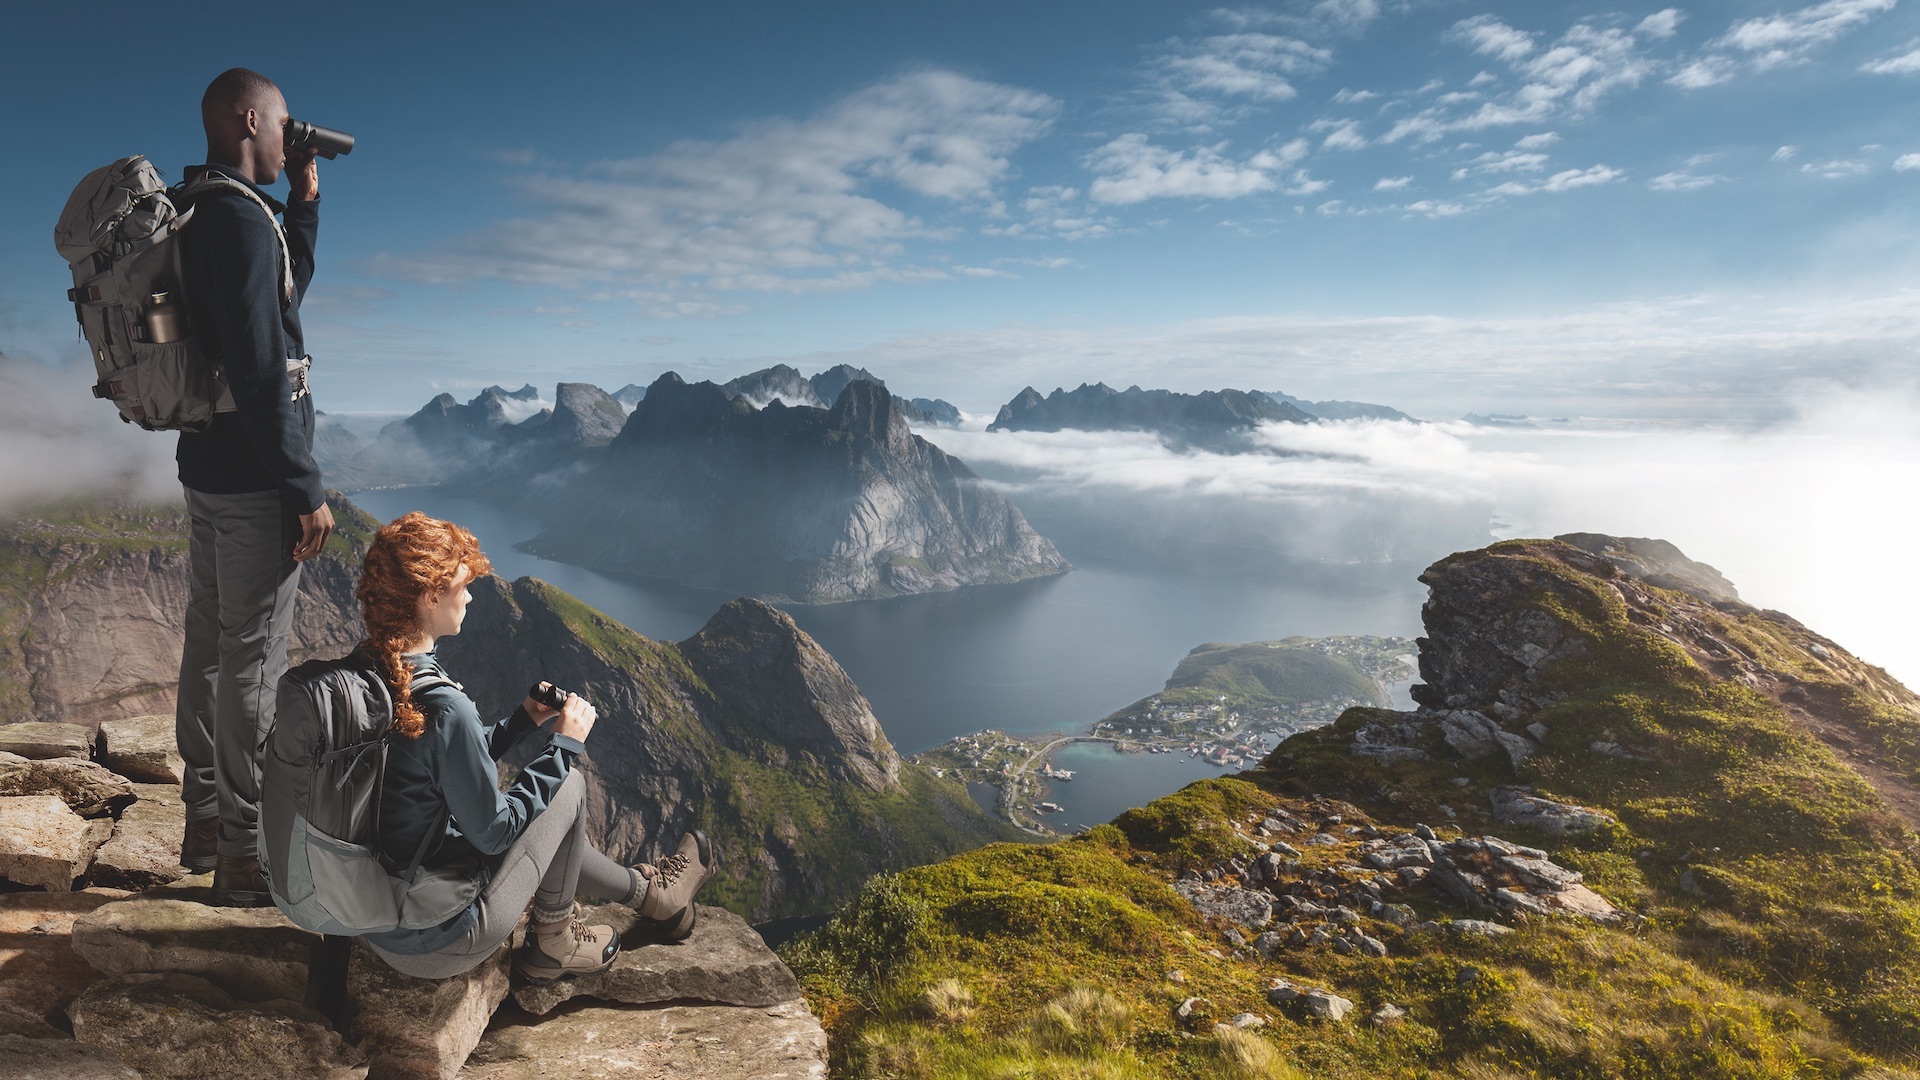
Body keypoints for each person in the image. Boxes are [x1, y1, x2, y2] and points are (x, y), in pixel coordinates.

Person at [353, 512, 715, 980]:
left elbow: (430, 768)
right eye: (463, 585)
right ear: (430, 596)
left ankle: (657, 900)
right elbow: (496, 833)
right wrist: (564, 746)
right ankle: (554, 942)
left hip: (371, 910)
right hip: (435, 939)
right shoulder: (444, 705)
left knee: (542, 818)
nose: (469, 594)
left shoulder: (362, 671)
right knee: (569, 787)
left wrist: (520, 723)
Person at [174, 67, 335, 906]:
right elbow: (263, 364)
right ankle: (243, 850)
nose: (286, 139)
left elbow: (275, 307)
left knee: (210, 638)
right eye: (279, 127)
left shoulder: (203, 208)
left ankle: (205, 817)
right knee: (254, 660)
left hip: (208, 469)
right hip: (251, 482)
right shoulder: (236, 221)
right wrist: (303, 484)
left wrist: (302, 204)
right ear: (248, 118)